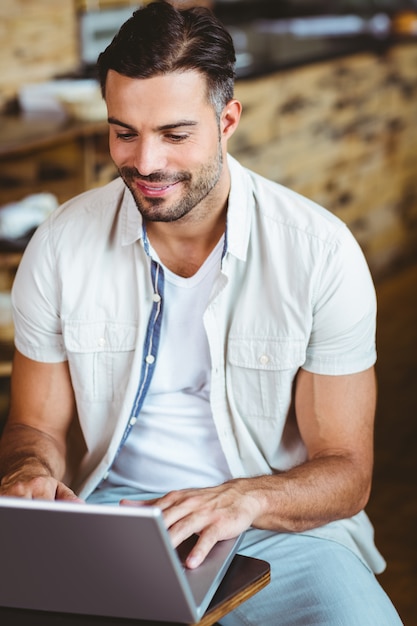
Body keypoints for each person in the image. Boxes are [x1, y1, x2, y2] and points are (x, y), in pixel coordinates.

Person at [0, 2, 402, 624]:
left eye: (176, 134)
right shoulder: (58, 245)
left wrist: (238, 500)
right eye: (124, 132)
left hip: (272, 523)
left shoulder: (320, 254)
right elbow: (36, 427)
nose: (146, 162)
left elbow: (347, 472)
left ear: (228, 119)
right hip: (109, 518)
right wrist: (28, 470)